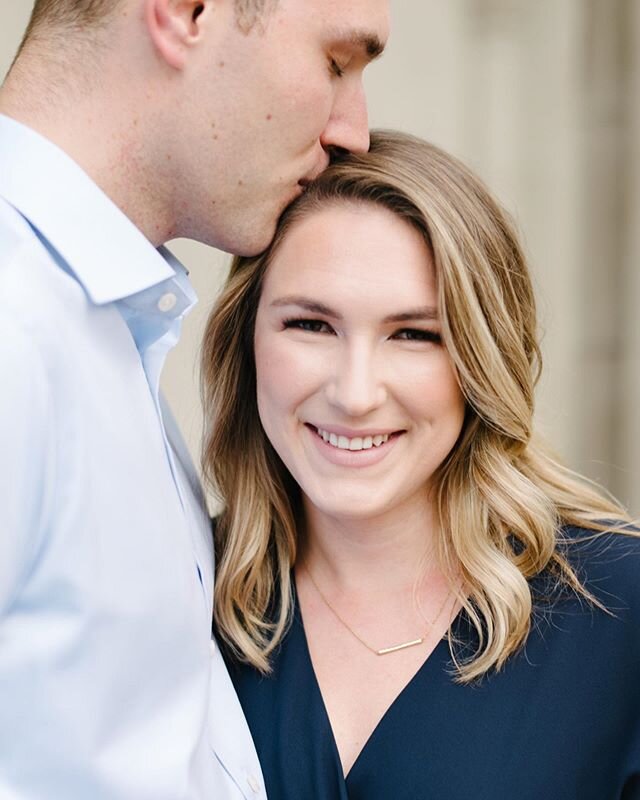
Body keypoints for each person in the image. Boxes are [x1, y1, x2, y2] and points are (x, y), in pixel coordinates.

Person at [0, 0, 389, 797]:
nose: (355, 128)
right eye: (337, 62)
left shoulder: (96, 325)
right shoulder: (16, 320)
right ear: (186, 13)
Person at [201, 130, 640, 800]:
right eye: (310, 325)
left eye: (415, 335)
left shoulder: (620, 610)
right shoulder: (178, 595)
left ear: (481, 362)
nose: (355, 393)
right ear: (247, 340)